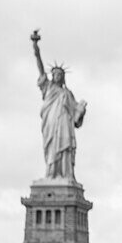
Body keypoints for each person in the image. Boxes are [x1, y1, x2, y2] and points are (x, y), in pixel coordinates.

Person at [31, 30, 87, 181]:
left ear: (63, 78)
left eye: (60, 75)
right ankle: (51, 174)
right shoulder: (47, 87)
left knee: (64, 147)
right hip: (50, 123)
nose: (58, 76)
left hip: (64, 124)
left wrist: (81, 109)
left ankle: (66, 174)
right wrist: (36, 47)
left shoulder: (67, 94)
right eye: (55, 74)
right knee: (51, 149)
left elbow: (76, 118)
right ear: (52, 76)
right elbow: (40, 66)